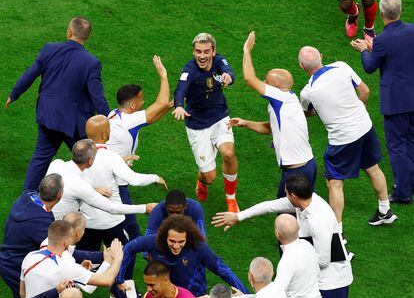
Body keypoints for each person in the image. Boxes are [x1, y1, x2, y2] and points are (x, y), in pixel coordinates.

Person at [5, 16, 110, 192]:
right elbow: (97, 95)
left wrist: (14, 94)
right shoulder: (91, 62)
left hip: (49, 116)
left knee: (41, 157)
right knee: (88, 160)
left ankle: (28, 196)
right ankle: (97, 195)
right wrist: (109, 118)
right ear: (87, 36)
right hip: (74, 123)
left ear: (69, 32)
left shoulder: (49, 49)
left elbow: (30, 74)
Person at [297, 46, 397, 227]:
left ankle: (337, 232)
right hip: (365, 126)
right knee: (372, 167)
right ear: (321, 55)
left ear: (303, 67)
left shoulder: (307, 92)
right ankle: (385, 210)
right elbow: (365, 92)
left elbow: (307, 112)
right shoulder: (341, 66)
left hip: (342, 139)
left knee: (334, 183)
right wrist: (356, 113)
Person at [212, 174, 353, 298]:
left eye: (286, 193)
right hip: (317, 280)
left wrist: (297, 264)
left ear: (293, 195)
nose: (284, 196)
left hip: (332, 282)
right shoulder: (303, 201)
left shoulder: (318, 220)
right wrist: (238, 216)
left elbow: (323, 261)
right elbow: (270, 206)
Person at [229, 31, 316, 198]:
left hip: (296, 171)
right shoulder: (288, 100)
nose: (263, 83)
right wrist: (245, 123)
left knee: (285, 217)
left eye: (266, 82)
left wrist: (247, 50)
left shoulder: (280, 98)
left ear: (275, 87)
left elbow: (249, 78)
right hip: (306, 166)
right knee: (300, 213)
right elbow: (271, 128)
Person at [351, 0, 414, 204]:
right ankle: (411, 183)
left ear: (382, 13)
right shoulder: (412, 30)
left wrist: (363, 50)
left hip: (396, 102)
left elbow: (370, 66)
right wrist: (373, 48)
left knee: (397, 147)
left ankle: (403, 193)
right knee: (412, 142)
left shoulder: (383, 39)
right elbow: (397, 53)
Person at [172, 33, 239, 212]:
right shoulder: (190, 70)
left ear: (213, 51)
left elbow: (230, 72)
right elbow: (180, 89)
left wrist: (229, 78)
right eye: (198, 51)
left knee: (228, 153)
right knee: (209, 177)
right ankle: (202, 181)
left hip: (219, 117)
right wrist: (179, 106)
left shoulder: (219, 61)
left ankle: (231, 198)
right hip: (197, 125)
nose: (202, 56)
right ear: (193, 51)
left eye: (206, 51)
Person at [106, 55, 171, 240]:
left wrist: (167, 107)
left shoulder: (116, 114)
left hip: (107, 173)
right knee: (129, 226)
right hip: (116, 181)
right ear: (133, 105)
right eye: (141, 100)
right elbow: (161, 103)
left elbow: (151, 117)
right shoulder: (129, 121)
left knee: (122, 223)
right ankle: (131, 254)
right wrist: (163, 76)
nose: (144, 103)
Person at [79, 114, 163, 251]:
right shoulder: (111, 157)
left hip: (88, 221)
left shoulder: (78, 155)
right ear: (105, 134)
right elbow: (135, 180)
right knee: (122, 259)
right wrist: (155, 177)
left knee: (87, 262)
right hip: (112, 220)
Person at [115, 215, 248, 297]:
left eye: (181, 242)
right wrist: (120, 278)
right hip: (165, 294)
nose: (176, 246)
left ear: (188, 238)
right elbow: (129, 248)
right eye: (172, 241)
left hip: (193, 296)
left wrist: (249, 295)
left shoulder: (199, 247)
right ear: (164, 236)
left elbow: (224, 271)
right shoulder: (153, 241)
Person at [46, 139, 151, 220]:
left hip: (42, 215)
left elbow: (67, 186)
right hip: (59, 228)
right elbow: (112, 208)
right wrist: (144, 208)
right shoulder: (81, 186)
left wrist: (93, 190)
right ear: (90, 161)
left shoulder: (56, 163)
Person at [20, 220, 124, 298]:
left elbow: (22, 293)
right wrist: (118, 258)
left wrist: (79, 270)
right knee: (74, 293)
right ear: (65, 242)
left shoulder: (29, 257)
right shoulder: (65, 266)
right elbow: (106, 280)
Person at [0, 174, 63, 298]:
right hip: (16, 268)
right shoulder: (42, 222)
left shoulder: (25, 198)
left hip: (7, 262)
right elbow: (57, 248)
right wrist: (100, 257)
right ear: (59, 196)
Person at [38, 212, 112, 297]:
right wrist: (107, 262)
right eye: (84, 229)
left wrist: (79, 269)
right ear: (77, 233)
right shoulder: (65, 259)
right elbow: (89, 288)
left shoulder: (50, 241)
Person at [272, 214, 321, 298]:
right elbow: (317, 272)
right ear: (298, 228)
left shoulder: (286, 261)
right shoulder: (307, 245)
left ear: (278, 234)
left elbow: (278, 293)